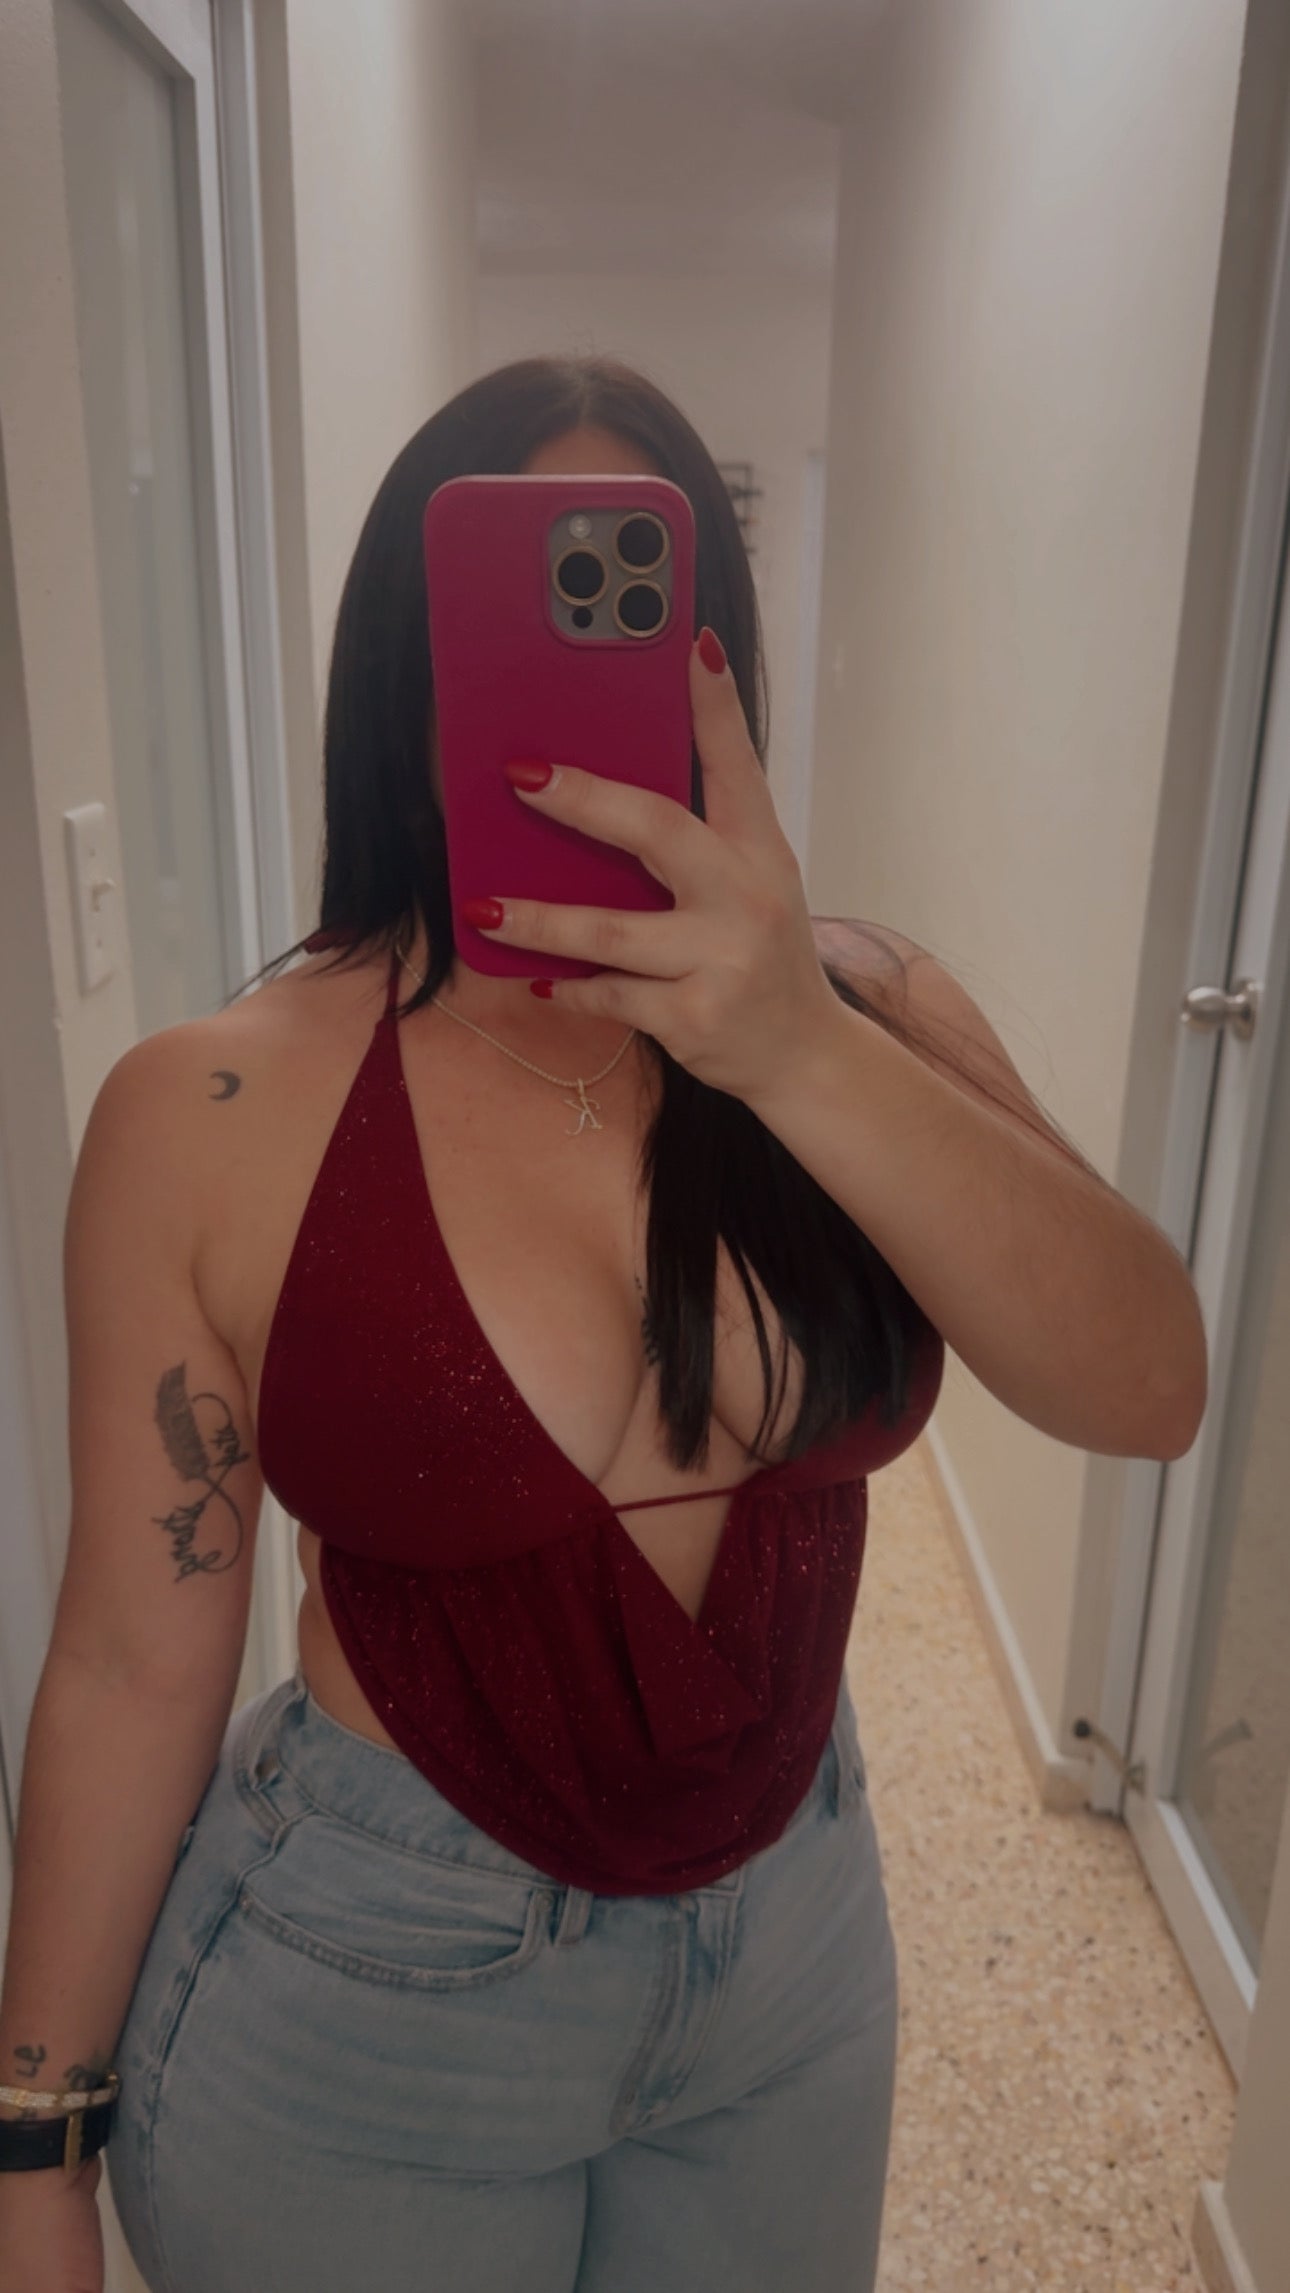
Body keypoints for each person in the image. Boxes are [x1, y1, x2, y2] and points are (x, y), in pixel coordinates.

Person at [0, 355, 1206, 2293]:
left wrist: (800, 1046)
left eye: (641, 610)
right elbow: (132, 1664)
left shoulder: (863, 1015)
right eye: (517, 614)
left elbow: (1150, 1387)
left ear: (713, 667)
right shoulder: (211, 1106)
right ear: (409, 667)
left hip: (795, 1948)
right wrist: (34, 2154)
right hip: (369, 1986)